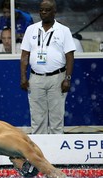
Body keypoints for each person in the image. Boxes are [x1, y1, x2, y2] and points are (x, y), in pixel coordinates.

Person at [20, 0, 76, 134]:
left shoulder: (63, 30)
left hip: (57, 78)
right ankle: (40, 151)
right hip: (36, 78)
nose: (43, 12)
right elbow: (24, 55)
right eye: (41, 10)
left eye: (47, 10)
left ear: (54, 12)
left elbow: (70, 56)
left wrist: (67, 78)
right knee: (37, 118)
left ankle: (56, 152)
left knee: (56, 118)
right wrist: (23, 76)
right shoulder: (31, 29)